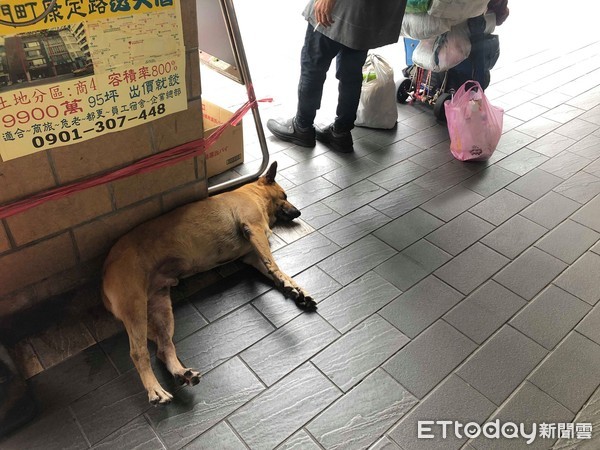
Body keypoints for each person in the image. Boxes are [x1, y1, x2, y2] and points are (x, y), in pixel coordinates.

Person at [267, 0, 408, 153]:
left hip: (342, 7)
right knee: (351, 73)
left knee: (313, 65)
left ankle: (302, 127)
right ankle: (341, 133)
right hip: (369, 11)